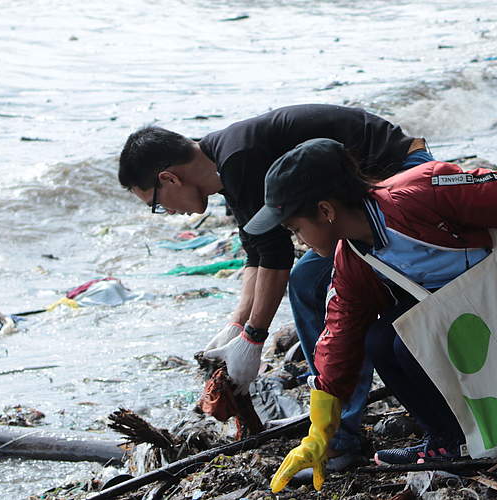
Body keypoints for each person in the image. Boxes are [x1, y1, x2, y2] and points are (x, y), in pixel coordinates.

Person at [257, 138, 497, 491]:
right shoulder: (352, 258)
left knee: (409, 347)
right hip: (465, 315)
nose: (298, 240)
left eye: (296, 228)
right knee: (378, 339)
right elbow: (339, 336)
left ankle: (474, 432)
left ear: (325, 211)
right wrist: (318, 435)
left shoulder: (422, 190)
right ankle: (448, 441)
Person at [117, 104, 433, 471]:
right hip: (361, 192)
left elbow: (276, 257)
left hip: (398, 174)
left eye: (156, 204)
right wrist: (237, 325)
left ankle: (339, 434)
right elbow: (255, 254)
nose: (167, 213)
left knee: (308, 283)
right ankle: (340, 425)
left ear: (169, 179)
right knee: (311, 281)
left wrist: (254, 339)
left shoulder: (239, 159)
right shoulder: (222, 162)